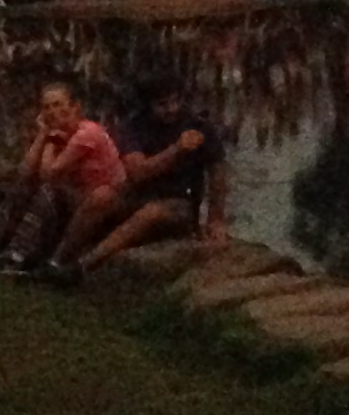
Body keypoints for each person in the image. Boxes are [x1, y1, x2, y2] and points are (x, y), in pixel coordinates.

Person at [40, 77, 218, 282]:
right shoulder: (135, 127)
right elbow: (138, 172)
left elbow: (217, 170)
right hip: (139, 195)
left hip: (179, 202)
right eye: (163, 104)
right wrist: (176, 150)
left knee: (150, 213)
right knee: (102, 195)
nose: (172, 109)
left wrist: (216, 218)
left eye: (176, 101)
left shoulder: (198, 125)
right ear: (149, 106)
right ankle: (57, 261)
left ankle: (83, 266)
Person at [0, 77, 120, 274]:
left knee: (48, 190)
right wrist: (43, 135)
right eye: (47, 107)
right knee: (25, 183)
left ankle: (17, 256)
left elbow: (49, 174)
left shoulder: (86, 134)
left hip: (94, 204)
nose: (52, 111)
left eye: (58, 104)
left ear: (75, 107)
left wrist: (48, 139)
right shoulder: (60, 134)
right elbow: (25, 171)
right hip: (73, 197)